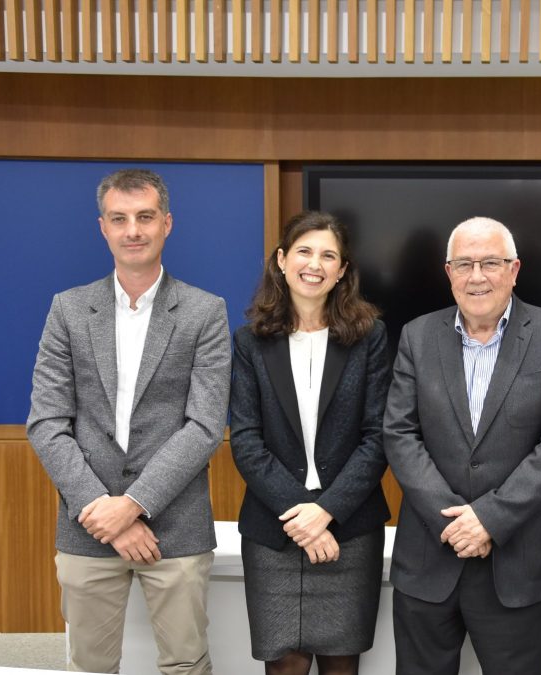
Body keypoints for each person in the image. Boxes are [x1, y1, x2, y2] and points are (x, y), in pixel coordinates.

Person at [27, 168, 231, 674]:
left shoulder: (205, 312)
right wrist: (104, 509)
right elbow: (47, 422)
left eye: (144, 217)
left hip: (176, 526)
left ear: (167, 224)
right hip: (88, 525)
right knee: (90, 665)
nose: (133, 230)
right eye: (120, 219)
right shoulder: (69, 310)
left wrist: (135, 504)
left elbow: (205, 426)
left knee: (186, 663)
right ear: (103, 227)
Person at [384, 216, 541, 675]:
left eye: (490, 263)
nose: (477, 276)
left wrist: (489, 519)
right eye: (465, 264)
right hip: (429, 556)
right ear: (448, 272)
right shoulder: (417, 335)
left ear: (514, 270)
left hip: (517, 563)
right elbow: (399, 432)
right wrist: (455, 522)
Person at [229, 211, 391, 675]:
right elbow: (246, 440)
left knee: (341, 664)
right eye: (303, 251)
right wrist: (300, 514)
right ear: (281, 260)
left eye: (328, 255)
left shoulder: (370, 338)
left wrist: (325, 512)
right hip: (273, 532)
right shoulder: (250, 341)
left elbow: (377, 436)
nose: (314, 264)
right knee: (285, 664)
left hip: (349, 529)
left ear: (342, 271)